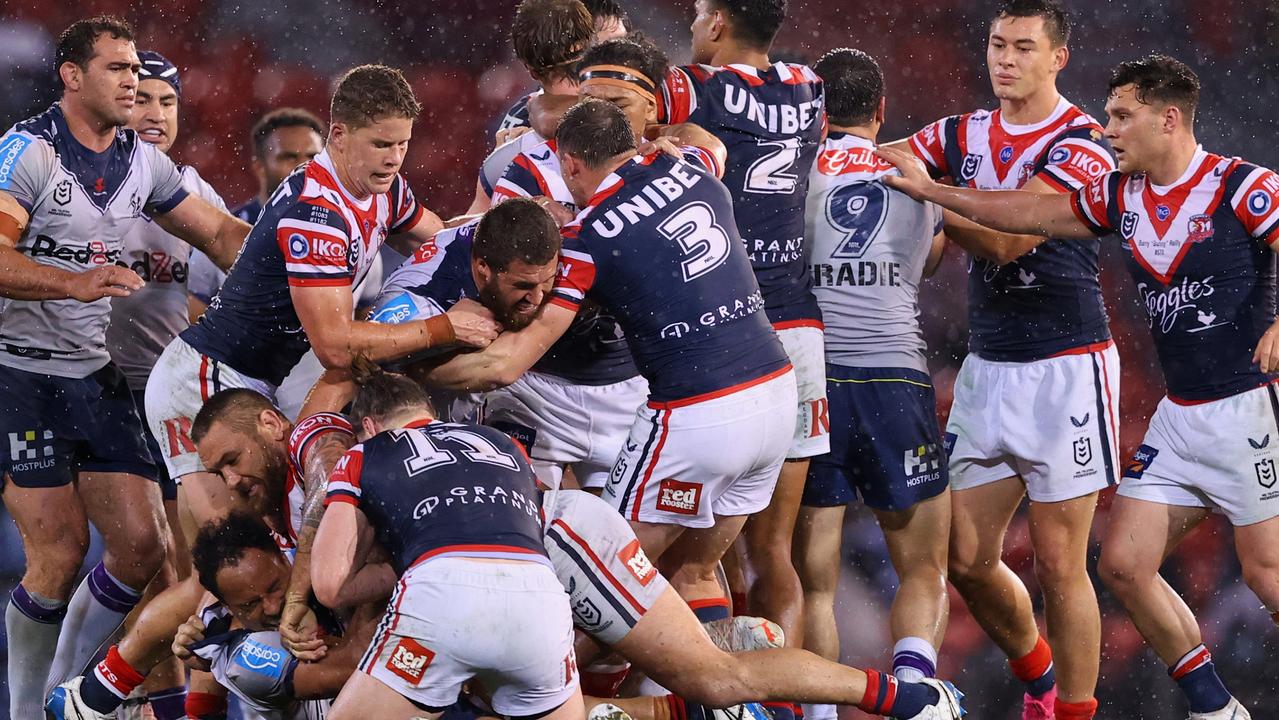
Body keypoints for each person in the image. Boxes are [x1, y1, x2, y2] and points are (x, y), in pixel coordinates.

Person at [876, 52, 1279, 720]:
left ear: (1167, 118)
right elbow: (1024, 215)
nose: (1108, 128)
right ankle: (1216, 711)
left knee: (1266, 576)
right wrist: (936, 191)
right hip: (1178, 416)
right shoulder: (1120, 195)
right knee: (1122, 567)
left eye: (1122, 116)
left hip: (1244, 408)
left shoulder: (1241, 185)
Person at [429, 99, 789, 642]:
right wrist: (662, 137)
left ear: (570, 164)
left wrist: (418, 366)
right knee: (688, 571)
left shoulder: (587, 240)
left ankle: (561, 694)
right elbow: (707, 141)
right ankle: (725, 679)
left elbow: (506, 366)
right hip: (776, 400)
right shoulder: (693, 165)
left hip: (698, 416)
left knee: (596, 580)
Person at [0, 16, 249, 717]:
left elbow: (218, 232)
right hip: (19, 374)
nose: (132, 81)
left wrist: (279, 261)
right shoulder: (26, 152)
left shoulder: (143, 162)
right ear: (72, 77)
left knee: (144, 549)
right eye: (116, 68)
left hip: (93, 373)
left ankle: (68, 696)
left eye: (136, 68)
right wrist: (71, 282)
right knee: (57, 555)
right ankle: (24, 711)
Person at [144, 63, 499, 530]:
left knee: (262, 548)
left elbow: (441, 240)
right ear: (339, 134)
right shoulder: (317, 214)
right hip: (208, 380)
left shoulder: (380, 187)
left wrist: (505, 233)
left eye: (402, 144)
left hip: (250, 381)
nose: (394, 158)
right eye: (380, 144)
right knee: (239, 554)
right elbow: (334, 346)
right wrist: (446, 328)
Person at [896, 3, 1118, 717]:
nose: (1005, 59)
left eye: (1024, 47)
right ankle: (1040, 681)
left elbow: (1009, 237)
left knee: (1059, 564)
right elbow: (880, 153)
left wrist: (926, 196)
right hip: (987, 368)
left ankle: (1072, 712)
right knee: (962, 556)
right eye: (997, 44)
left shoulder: (1083, 141)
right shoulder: (961, 132)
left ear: (1057, 58)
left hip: (1065, 367)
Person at [656, 0, 829, 664]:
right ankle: (780, 704)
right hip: (799, 328)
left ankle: (695, 687)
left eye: (700, 13)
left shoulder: (697, 86)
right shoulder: (807, 87)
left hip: (726, 323)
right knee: (772, 551)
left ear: (719, 22)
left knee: (689, 543)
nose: (694, 27)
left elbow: (617, 110)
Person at [793, 48, 951, 720]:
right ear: (881, 112)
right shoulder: (915, 173)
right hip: (894, 377)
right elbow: (926, 263)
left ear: (813, 112)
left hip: (814, 379)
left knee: (813, 582)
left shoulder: (790, 172)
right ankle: (917, 691)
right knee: (922, 567)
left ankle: (824, 708)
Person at [45, 387, 359, 719]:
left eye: (233, 460)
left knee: (256, 635)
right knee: (240, 648)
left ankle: (96, 694)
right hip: (372, 638)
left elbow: (329, 479)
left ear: (270, 423)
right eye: (219, 472)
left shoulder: (309, 438)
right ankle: (98, 695)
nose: (231, 480)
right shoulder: (262, 498)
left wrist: (296, 596)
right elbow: (227, 579)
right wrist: (204, 629)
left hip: (396, 618)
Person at [312, 371, 583, 720]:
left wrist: (403, 564)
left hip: (440, 596)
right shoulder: (504, 442)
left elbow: (331, 585)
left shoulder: (365, 452)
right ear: (428, 412)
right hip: (540, 602)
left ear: (370, 425)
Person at [101, 48, 232, 719]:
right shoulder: (81, 187)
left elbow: (211, 311)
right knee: (136, 562)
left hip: (164, 401)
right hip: (89, 393)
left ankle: (151, 701)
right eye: (142, 98)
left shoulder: (198, 199)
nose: (154, 113)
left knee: (182, 570)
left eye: (168, 102)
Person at [187, 107, 325, 314]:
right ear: (260, 167)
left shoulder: (353, 236)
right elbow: (190, 322)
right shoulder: (221, 235)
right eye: (289, 157)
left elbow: (361, 325)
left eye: (313, 156)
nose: (304, 167)